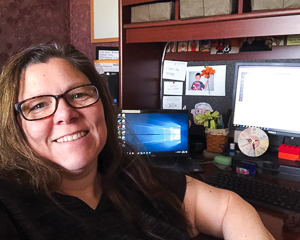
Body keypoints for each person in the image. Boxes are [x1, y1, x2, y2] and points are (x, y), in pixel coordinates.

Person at [0, 43, 274, 240]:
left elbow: (228, 207)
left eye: (79, 95)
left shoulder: (133, 174)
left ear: (103, 106)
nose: (66, 114)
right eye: (37, 106)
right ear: (15, 126)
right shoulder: (10, 203)